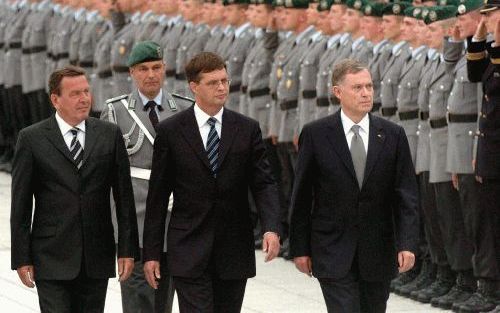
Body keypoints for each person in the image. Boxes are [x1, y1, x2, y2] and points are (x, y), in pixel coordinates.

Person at [142, 52, 281, 313]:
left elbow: (264, 183)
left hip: (233, 249)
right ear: (194, 87)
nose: (221, 87)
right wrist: (151, 253)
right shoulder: (171, 131)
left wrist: (271, 227)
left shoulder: (247, 129)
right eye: (213, 82)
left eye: (225, 81)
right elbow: (158, 197)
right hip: (188, 247)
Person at [289, 59, 419, 313]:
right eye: (357, 87)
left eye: (369, 86)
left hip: (378, 251)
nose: (366, 93)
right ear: (338, 92)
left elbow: (406, 196)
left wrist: (408, 243)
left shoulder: (392, 135)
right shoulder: (316, 134)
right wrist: (300, 248)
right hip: (332, 250)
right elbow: (302, 196)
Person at [10, 66, 139, 312]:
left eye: (86, 92)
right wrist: (21, 257)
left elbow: (124, 198)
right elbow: (21, 204)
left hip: (96, 257)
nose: (84, 99)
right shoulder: (32, 138)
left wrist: (126, 250)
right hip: (51, 256)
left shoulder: (109, 135)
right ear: (55, 100)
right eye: (75, 94)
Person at [102, 40, 193, 313]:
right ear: (131, 73)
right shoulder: (117, 111)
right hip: (136, 220)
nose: (150, 74)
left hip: (174, 218)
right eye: (143, 69)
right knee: (138, 295)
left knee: (165, 295)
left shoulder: (184, 108)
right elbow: (106, 172)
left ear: (164, 69)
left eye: (156, 67)